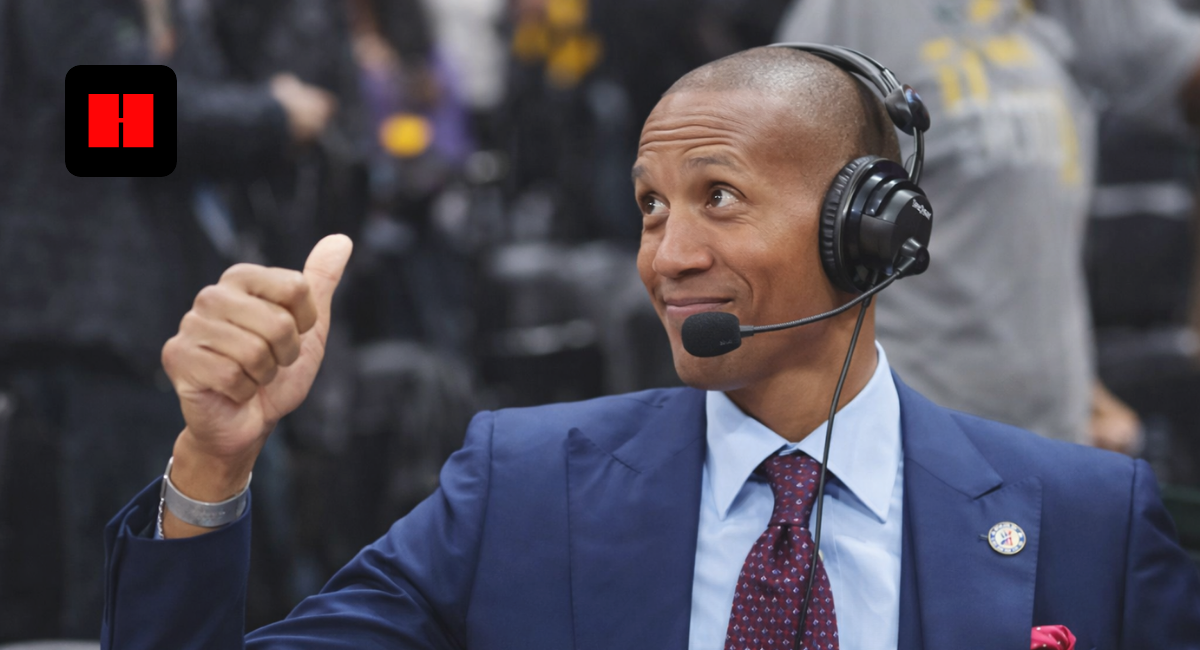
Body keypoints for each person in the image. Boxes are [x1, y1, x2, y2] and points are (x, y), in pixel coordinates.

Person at [100, 47, 1200, 649]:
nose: (667, 254)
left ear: (868, 227)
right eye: (647, 207)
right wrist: (214, 461)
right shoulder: (519, 487)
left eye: (718, 197)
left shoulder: (1088, 517)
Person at [776, 0, 1200, 449]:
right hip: (910, 436)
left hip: (1047, 439)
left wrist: (1077, 391)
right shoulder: (855, 13)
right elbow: (776, 204)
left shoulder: (1049, 21)